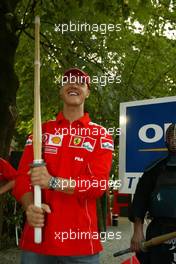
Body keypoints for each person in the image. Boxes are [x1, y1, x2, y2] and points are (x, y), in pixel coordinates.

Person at [13, 68, 113, 264]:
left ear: (87, 92)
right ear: (61, 91)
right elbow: (21, 179)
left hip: (80, 244)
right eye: (68, 81)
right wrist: (30, 206)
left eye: (80, 82)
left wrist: (53, 182)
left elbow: (98, 186)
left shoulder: (100, 135)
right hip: (38, 239)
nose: (74, 84)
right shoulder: (41, 132)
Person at [129, 123, 176, 264]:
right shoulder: (154, 169)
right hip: (159, 230)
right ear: (166, 141)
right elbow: (140, 200)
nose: (175, 141)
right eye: (172, 138)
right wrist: (137, 231)